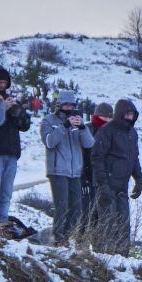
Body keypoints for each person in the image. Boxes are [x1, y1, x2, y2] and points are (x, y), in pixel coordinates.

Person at [88, 98, 142, 251]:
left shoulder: (132, 133)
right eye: (127, 114)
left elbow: (134, 159)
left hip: (122, 186)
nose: (130, 117)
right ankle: (102, 254)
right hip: (106, 183)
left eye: (132, 115)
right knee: (106, 222)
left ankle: (122, 256)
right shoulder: (106, 130)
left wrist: (139, 180)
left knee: (123, 223)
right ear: (120, 113)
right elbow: (97, 157)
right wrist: (102, 183)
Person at [40, 95, 94, 242]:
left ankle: (65, 237)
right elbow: (49, 142)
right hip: (57, 170)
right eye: (66, 105)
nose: (69, 108)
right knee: (62, 206)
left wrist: (82, 127)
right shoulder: (49, 121)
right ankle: (58, 237)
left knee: (77, 209)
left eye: (72, 105)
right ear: (59, 105)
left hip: (75, 172)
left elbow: (89, 144)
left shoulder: (78, 123)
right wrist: (64, 126)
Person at [0, 65, 33, 225]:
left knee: (6, 193)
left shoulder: (12, 100)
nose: (2, 85)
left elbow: (24, 127)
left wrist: (20, 113)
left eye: (4, 82)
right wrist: (2, 108)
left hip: (12, 152)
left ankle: (2, 222)